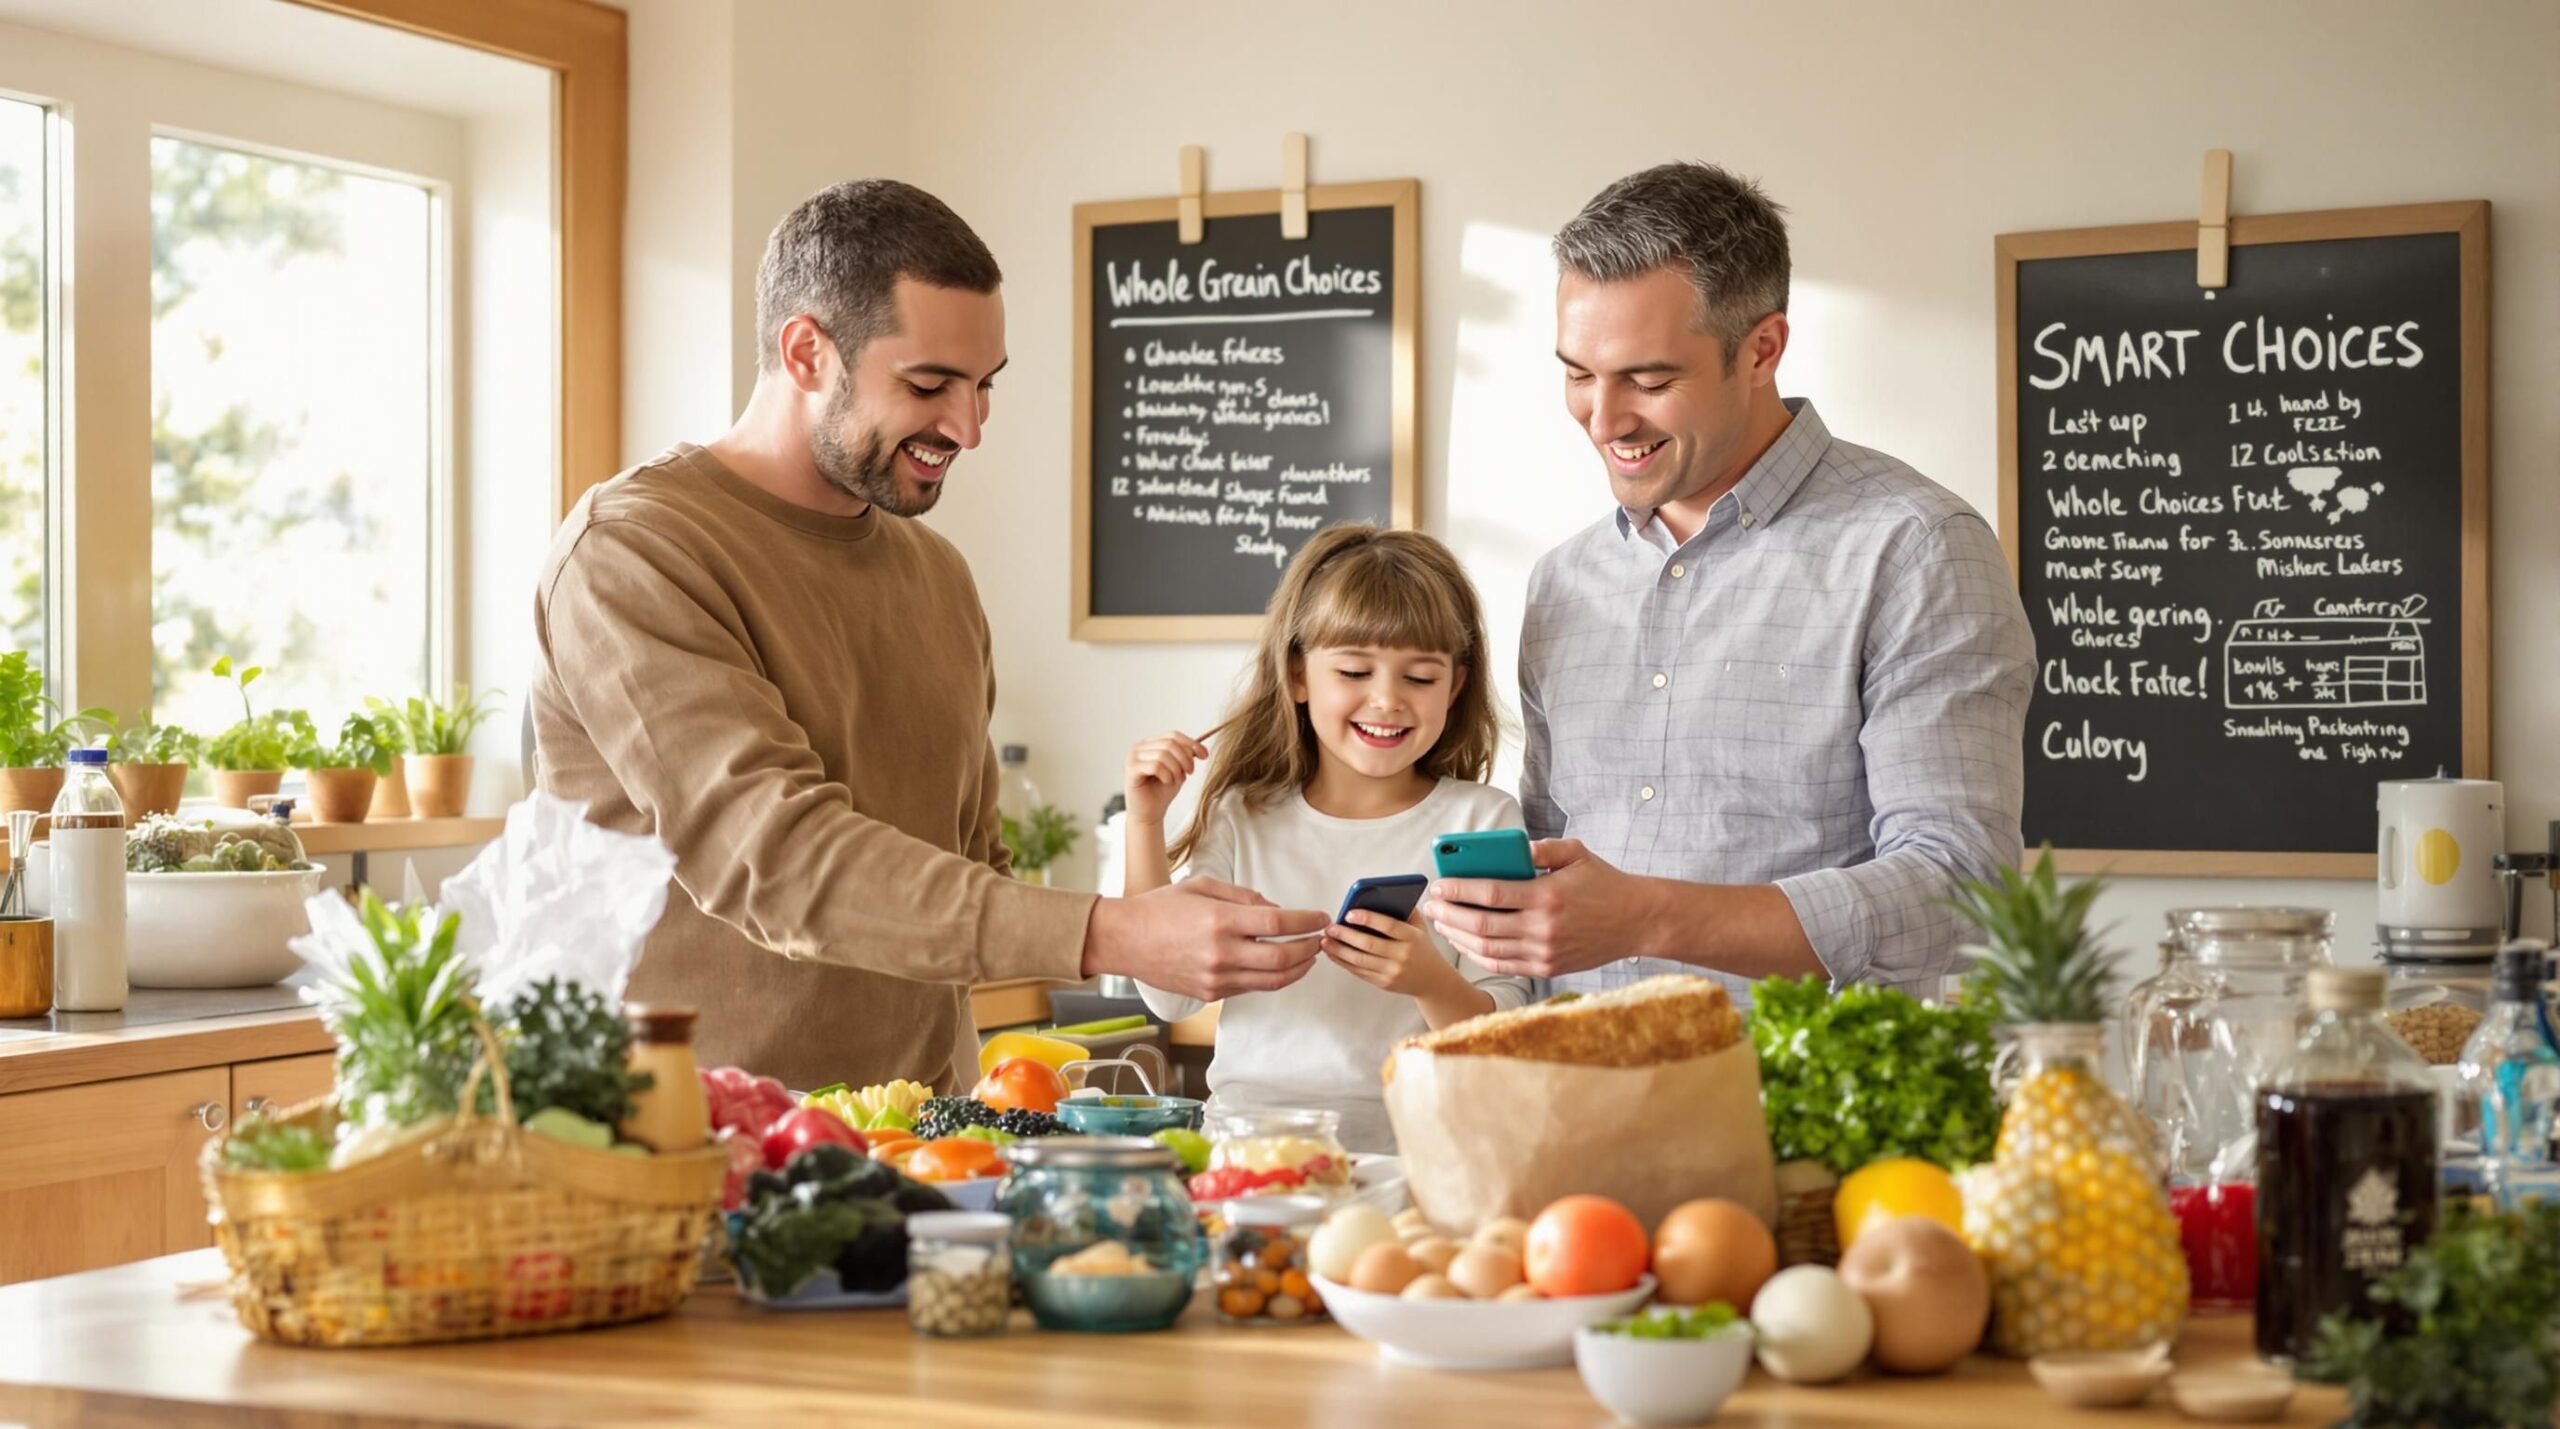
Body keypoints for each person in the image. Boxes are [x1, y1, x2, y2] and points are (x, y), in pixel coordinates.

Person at [531, 180, 1327, 1096]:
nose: (968, 427)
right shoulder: (636, 552)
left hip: (926, 1146)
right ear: (806, 353)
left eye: (983, 385)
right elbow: (779, 861)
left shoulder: (938, 577)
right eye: (929, 384)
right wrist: (1113, 928)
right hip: (690, 1148)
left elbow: (972, 867)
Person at [1424, 161, 2034, 1002]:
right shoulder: (1565, 580)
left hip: (1807, 1117)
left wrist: (1648, 915)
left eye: (1650, 378)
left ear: (1762, 348)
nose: (1603, 421)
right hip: (1576, 1099)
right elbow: (1548, 868)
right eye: (1577, 374)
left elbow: (1960, 888)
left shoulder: (1916, 550)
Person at [1123, 524, 1531, 1153]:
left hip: (1418, 1158)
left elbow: (1505, 1046)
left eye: (1419, 678)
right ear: (1297, 675)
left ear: (1454, 686)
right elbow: (1170, 995)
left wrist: (1430, 981)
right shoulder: (1243, 815)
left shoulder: (1484, 821)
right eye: (1354, 670)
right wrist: (1145, 824)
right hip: (1246, 1153)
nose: (1387, 700)